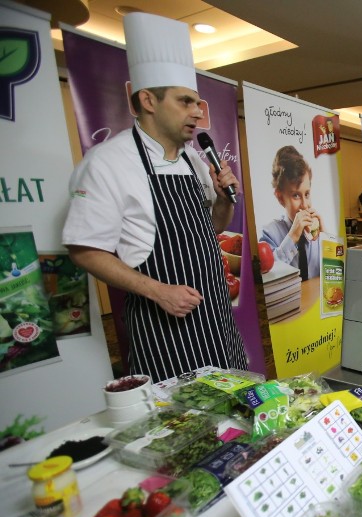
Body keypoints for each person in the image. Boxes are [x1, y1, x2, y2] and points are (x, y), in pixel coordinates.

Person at [61, 13, 247, 382]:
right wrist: (159, 291)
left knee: (235, 408)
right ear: (148, 100)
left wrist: (225, 199)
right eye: (185, 101)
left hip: (216, 315)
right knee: (184, 422)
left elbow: (210, 229)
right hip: (165, 324)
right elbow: (84, 249)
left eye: (197, 102)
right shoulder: (109, 162)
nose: (197, 111)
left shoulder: (194, 160)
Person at [260, 146, 324, 280]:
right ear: (280, 197)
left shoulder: (317, 233)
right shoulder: (270, 233)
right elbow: (267, 276)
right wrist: (293, 236)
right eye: (296, 195)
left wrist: (327, 240)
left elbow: (335, 273)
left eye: (307, 194)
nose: (305, 205)